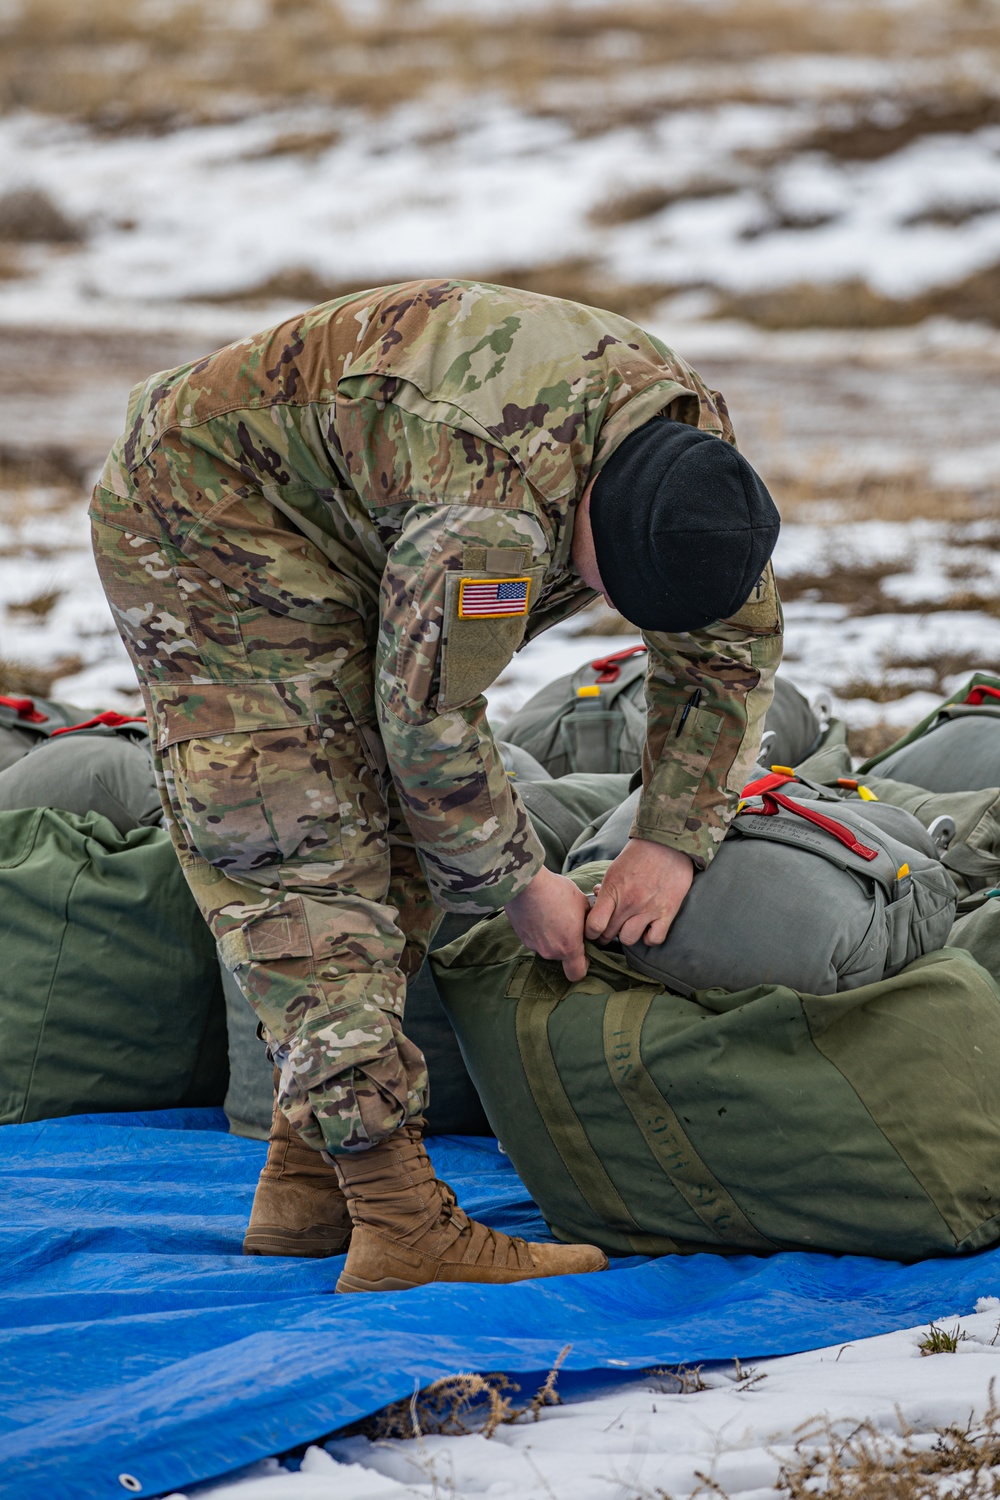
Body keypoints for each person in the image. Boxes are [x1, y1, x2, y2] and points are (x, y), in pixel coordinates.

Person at [91, 279, 782, 1293]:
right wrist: (521, 883)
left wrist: (668, 839)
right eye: (599, 586)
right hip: (207, 512)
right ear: (585, 527)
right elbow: (429, 727)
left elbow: (727, 651)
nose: (592, 602)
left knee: (399, 840)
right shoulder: (490, 522)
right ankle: (401, 1222)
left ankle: (309, 1177)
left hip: (364, 503)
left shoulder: (691, 464)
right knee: (303, 845)